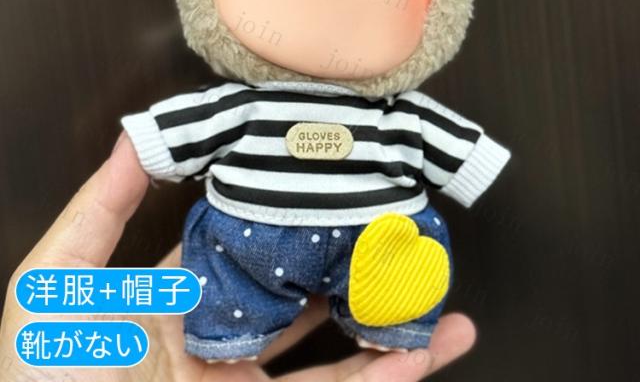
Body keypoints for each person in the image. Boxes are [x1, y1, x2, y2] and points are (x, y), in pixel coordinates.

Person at [0, 134, 476, 381]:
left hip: (377, 235)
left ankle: (391, 325)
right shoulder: (241, 102)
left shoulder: (396, 113)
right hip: (252, 232)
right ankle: (225, 337)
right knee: (229, 284)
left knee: (396, 280)